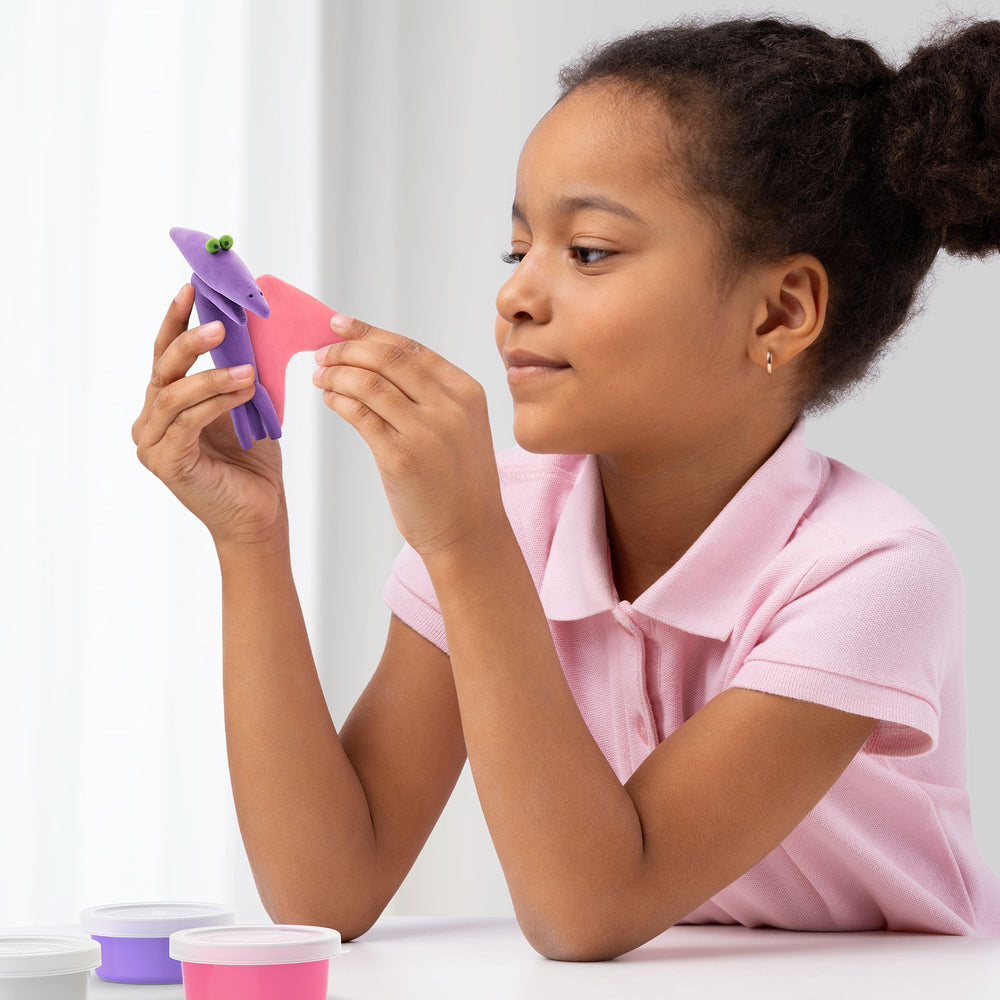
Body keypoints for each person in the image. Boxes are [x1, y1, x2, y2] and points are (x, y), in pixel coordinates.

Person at [133, 13, 1000, 960]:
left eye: (588, 252)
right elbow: (326, 887)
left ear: (781, 312)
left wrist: (469, 548)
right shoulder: (507, 515)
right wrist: (249, 537)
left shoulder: (873, 571)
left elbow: (589, 910)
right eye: (518, 250)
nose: (516, 295)